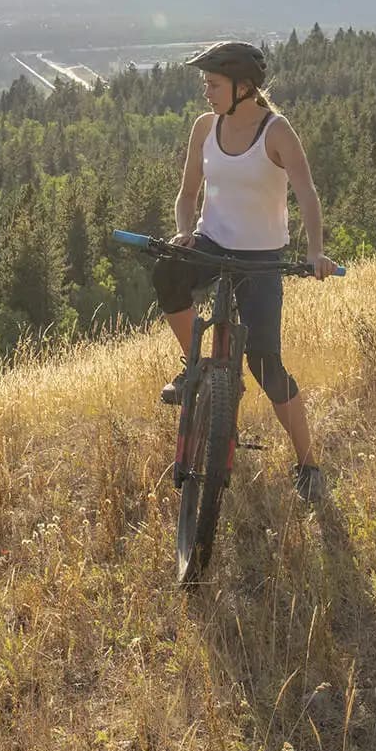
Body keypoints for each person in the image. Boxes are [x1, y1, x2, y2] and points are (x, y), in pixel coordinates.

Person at [152, 41, 337, 502]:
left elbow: (308, 195)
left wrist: (315, 252)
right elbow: (186, 195)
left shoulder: (276, 132)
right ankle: (195, 367)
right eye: (206, 85)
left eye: (213, 85)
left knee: (266, 368)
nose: (206, 93)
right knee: (167, 275)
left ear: (244, 87)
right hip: (210, 243)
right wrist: (183, 233)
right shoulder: (204, 127)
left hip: (262, 257)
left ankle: (308, 465)